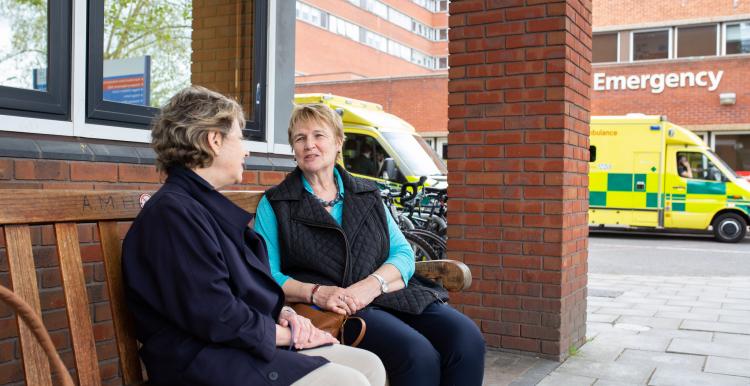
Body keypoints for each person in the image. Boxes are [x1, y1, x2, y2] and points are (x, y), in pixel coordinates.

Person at [121, 86, 386, 386]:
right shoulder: (172, 215)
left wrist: (285, 314)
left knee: (369, 365)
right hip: (202, 362)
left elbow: (237, 295)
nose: (246, 150)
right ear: (214, 140)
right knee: (349, 381)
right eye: (240, 137)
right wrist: (290, 335)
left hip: (233, 346)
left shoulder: (197, 207)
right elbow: (215, 313)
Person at [255, 103, 485, 386]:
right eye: (300, 138)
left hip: (384, 293)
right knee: (416, 353)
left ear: (338, 142)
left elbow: (402, 253)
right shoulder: (277, 203)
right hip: (334, 309)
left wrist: (372, 285)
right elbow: (268, 275)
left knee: (466, 337)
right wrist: (318, 293)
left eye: (319, 136)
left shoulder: (367, 193)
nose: (309, 145)